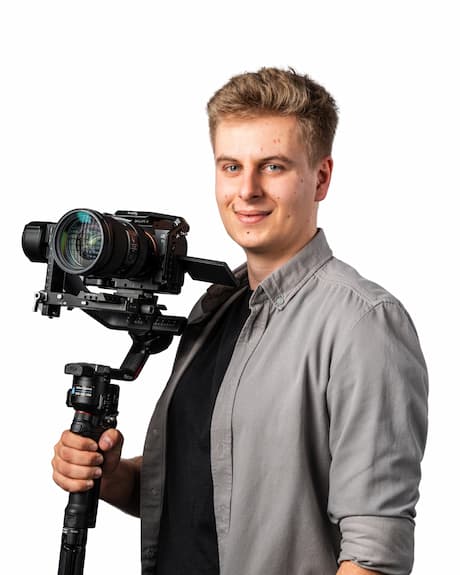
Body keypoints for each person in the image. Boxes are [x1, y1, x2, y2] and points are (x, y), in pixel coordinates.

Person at [52, 67, 429, 575]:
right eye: (231, 166)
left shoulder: (363, 323)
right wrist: (113, 476)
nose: (247, 190)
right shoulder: (214, 308)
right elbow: (202, 496)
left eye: (272, 167)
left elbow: (373, 554)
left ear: (321, 178)